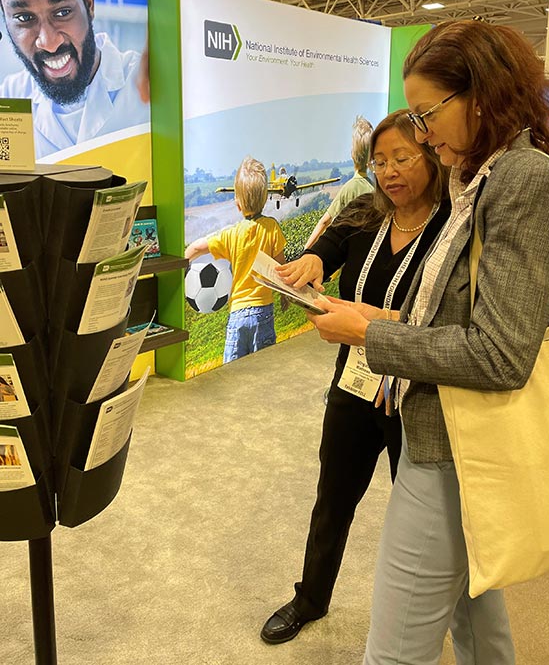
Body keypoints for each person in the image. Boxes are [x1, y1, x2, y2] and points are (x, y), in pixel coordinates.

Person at [307, 20, 549, 665]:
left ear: (480, 96)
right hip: (446, 432)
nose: (420, 137)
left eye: (428, 115)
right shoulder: (476, 180)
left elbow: (499, 354)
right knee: (476, 621)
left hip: (457, 445)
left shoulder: (523, 181)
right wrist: (378, 319)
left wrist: (372, 333)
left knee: (395, 650)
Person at [260, 110, 450, 644]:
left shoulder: (450, 224)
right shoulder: (369, 212)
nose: (389, 172)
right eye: (380, 161)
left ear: (432, 158)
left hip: (415, 393)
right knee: (333, 496)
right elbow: (329, 245)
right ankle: (310, 599)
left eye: (402, 158)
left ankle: (428, 616)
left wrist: (374, 321)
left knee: (418, 509)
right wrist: (313, 263)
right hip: (356, 381)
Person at [0, 0, 149, 158]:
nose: (49, 43)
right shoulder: (8, 98)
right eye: (24, 17)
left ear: (88, 3)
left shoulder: (147, 89)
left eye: (62, 12)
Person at [185, 156, 286, 363]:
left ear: (238, 204)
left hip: (238, 313)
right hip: (263, 312)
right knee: (265, 370)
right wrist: (286, 296)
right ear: (266, 198)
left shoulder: (230, 234)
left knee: (231, 374)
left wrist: (181, 266)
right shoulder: (272, 228)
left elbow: (195, 247)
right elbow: (281, 270)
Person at [304, 115, 374, 249]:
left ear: (352, 154)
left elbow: (324, 222)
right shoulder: (373, 188)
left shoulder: (349, 188)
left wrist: (305, 251)